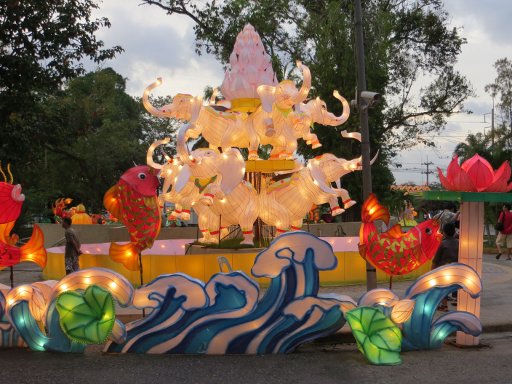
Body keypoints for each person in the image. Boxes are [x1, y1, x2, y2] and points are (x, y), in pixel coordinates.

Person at [431, 222, 459, 311]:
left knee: (442, 287)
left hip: (443, 269)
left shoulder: (443, 244)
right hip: (455, 268)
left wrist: (432, 271)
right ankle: (452, 302)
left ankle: (444, 305)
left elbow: (436, 260)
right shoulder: (459, 242)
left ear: (444, 232)